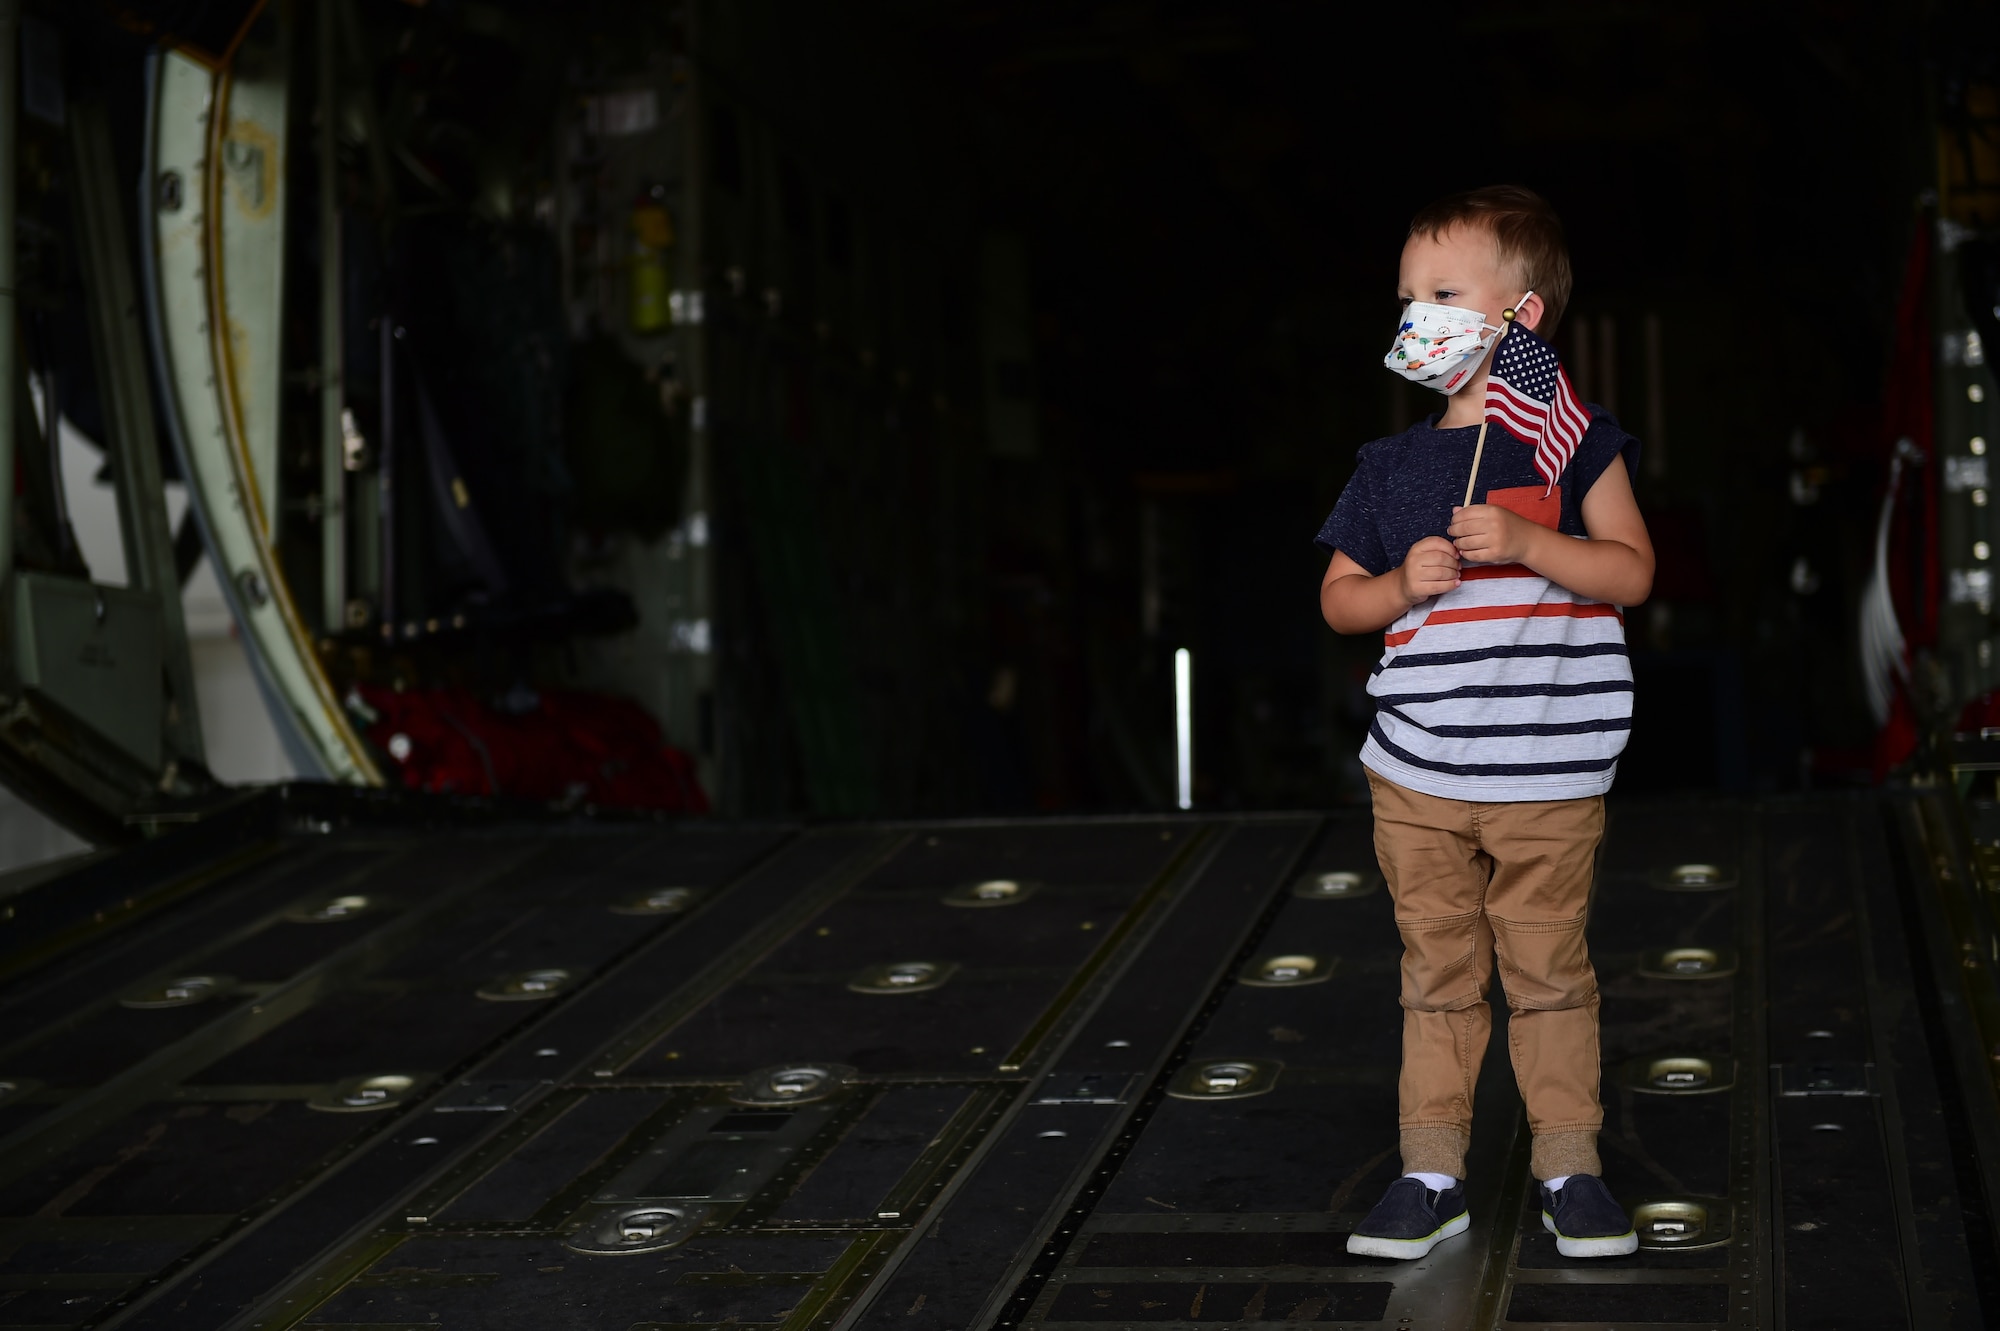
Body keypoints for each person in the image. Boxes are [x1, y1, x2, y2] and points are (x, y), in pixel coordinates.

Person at [1316, 185, 1655, 1261]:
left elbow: (1630, 571)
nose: (1416, 313)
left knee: (1548, 967)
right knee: (1437, 969)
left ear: (1518, 321)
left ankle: (1569, 1165)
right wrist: (1401, 586)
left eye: (1443, 292)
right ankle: (1430, 1170)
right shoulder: (1389, 468)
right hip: (1415, 769)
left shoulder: (1570, 443)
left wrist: (1525, 540)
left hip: (1546, 771)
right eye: (1407, 295)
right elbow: (1337, 600)